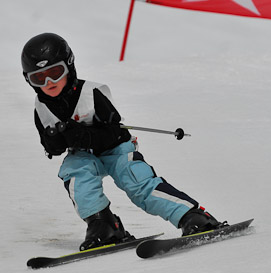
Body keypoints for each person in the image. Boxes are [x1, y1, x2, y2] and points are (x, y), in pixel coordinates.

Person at [21, 33, 227, 251]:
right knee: (75, 173)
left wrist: (85, 135)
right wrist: (56, 140)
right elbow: (51, 147)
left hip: (115, 149)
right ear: (29, 80)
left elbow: (114, 132)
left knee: (136, 181)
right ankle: (104, 225)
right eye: (39, 78)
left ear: (69, 66)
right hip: (83, 155)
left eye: (55, 72)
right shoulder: (41, 108)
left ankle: (191, 216)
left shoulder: (91, 92)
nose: (49, 82)